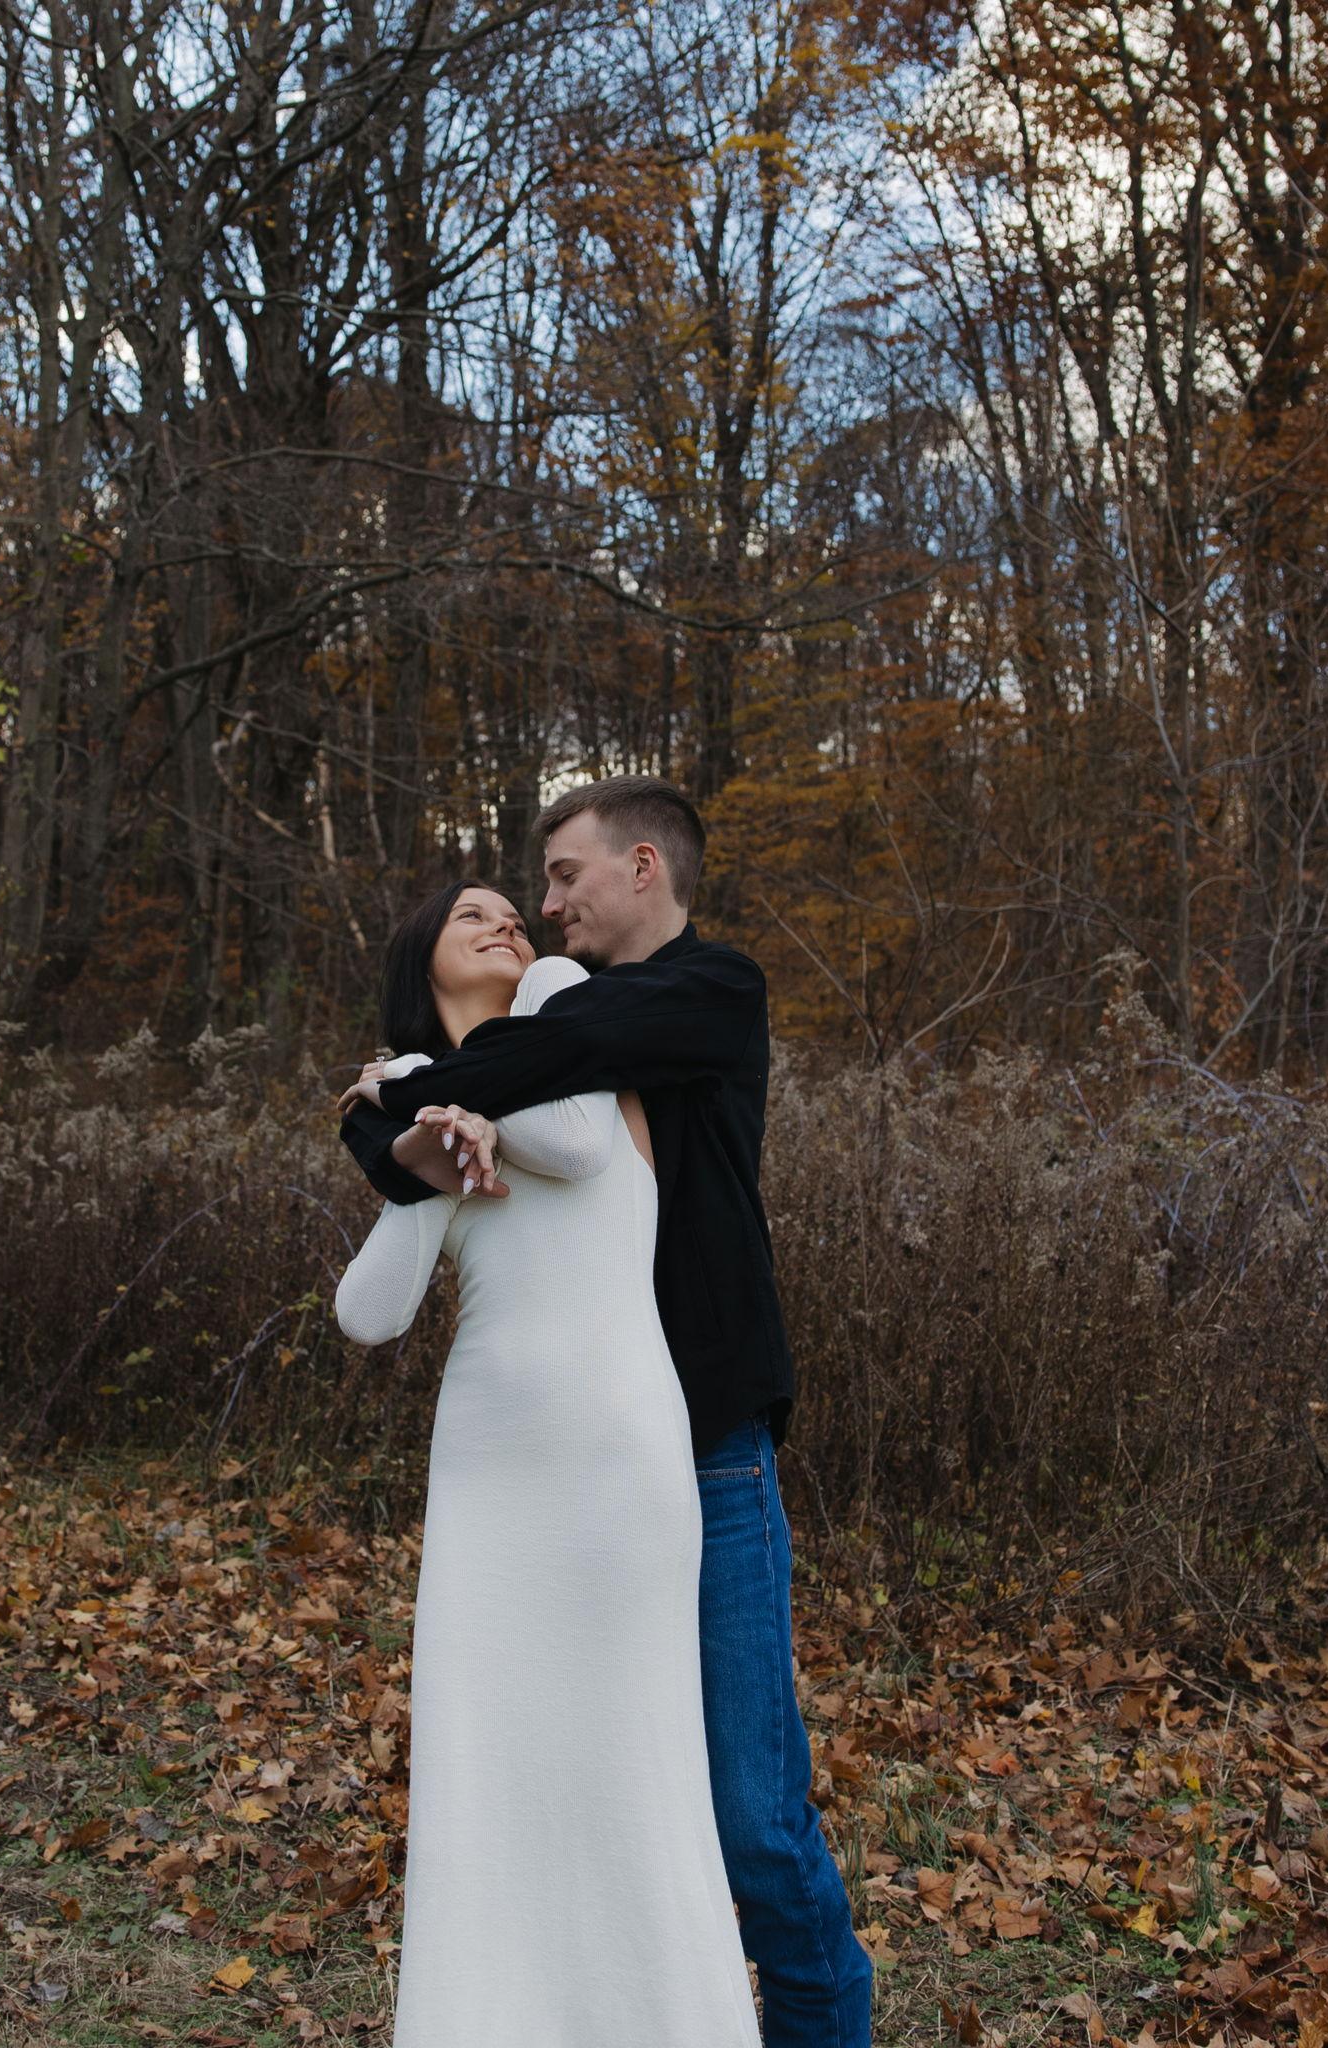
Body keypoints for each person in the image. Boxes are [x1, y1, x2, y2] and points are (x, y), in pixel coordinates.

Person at [335, 775, 874, 2048]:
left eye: (563, 874)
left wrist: (391, 1102)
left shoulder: (703, 989)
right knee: (588, 1786)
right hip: (554, 1465)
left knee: (751, 1818)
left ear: (642, 867)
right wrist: (400, 1121)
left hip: (704, 1448)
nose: (543, 901)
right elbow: (481, 1113)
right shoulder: (551, 1018)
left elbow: (545, 1070)